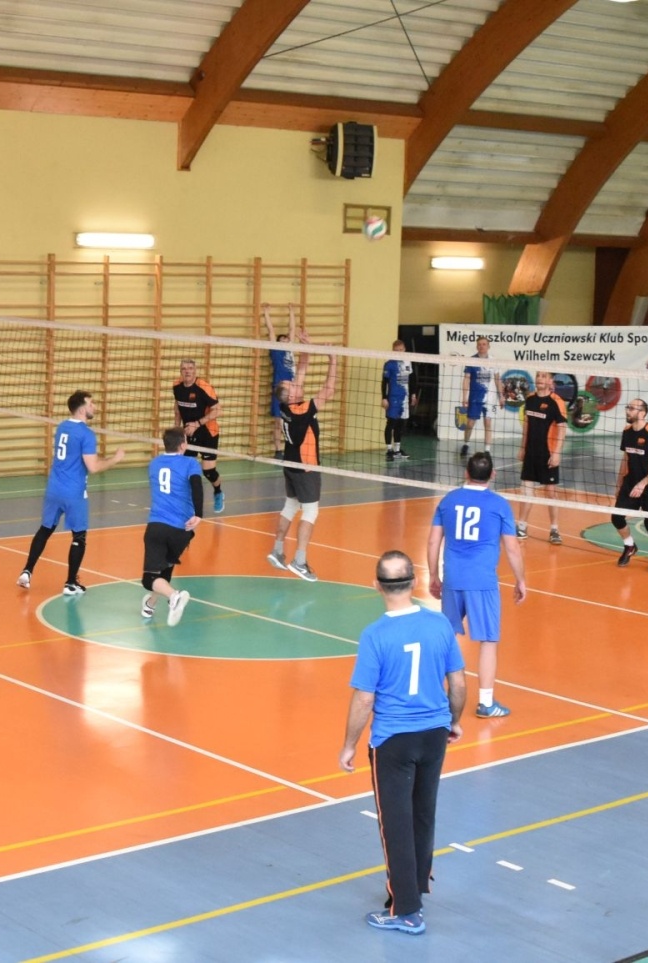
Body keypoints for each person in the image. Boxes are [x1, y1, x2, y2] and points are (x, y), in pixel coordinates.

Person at [339, 550, 465, 936]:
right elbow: (458, 682)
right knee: (423, 813)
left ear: (377, 585)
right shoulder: (439, 624)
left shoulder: (375, 635)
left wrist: (349, 744)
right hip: (434, 735)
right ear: (413, 582)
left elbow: (364, 699)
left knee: (395, 823)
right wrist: (454, 721)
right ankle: (416, 886)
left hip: (393, 740)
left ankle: (406, 910)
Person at [428, 452, 527, 718]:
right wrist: (520, 579)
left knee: (446, 637)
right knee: (488, 641)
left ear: (466, 473)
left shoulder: (448, 501)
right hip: (482, 582)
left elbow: (433, 541)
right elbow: (512, 548)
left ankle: (433, 696)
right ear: (493, 474)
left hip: (453, 578)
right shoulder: (499, 504)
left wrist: (433, 575)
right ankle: (485, 703)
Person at [17, 391, 126, 595]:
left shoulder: (62, 427)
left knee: (45, 530)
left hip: (54, 488)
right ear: (82, 409)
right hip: (74, 491)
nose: (95, 407)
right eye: (91, 403)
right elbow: (93, 467)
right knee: (79, 537)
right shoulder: (86, 434)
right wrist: (115, 459)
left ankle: (27, 571)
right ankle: (70, 583)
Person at [268, 338, 338, 581]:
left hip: (290, 464)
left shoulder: (286, 407)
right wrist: (332, 358)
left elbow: (302, 368)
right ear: (291, 395)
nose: (297, 383)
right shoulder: (302, 409)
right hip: (306, 467)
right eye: (293, 385)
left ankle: (277, 551)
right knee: (310, 511)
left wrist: (307, 346)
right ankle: (299, 561)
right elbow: (329, 390)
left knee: (290, 505)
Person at [141, 427, 203, 626]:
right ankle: (150, 604)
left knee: (149, 579)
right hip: (182, 530)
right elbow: (197, 486)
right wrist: (199, 514)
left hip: (158, 526)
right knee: (165, 568)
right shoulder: (190, 463)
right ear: (183, 445)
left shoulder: (154, 463)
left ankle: (174, 597)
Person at [612, 398, 648, 572]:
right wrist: (619, 483)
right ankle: (629, 546)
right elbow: (626, 458)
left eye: (631, 408)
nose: (627, 411)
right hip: (630, 482)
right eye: (627, 407)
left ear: (642, 413)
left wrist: (643, 484)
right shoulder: (627, 431)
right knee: (617, 517)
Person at [516, 371, 567, 544]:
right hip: (531, 453)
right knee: (526, 491)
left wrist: (557, 453)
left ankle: (554, 530)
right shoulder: (530, 399)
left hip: (548, 453)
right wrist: (523, 448)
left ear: (551, 381)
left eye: (544, 376)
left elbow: (562, 428)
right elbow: (527, 425)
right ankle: (522, 526)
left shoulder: (556, 402)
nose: (540, 379)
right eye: (538, 375)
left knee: (551, 492)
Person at [173, 359, 225, 513]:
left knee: (208, 472)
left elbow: (218, 410)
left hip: (208, 433)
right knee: (185, 469)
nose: (187, 371)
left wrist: (197, 424)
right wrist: (177, 430)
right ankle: (187, 503)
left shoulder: (204, 387)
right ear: (180, 371)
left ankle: (218, 492)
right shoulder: (176, 386)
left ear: (195, 371)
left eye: (190, 368)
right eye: (184, 369)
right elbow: (177, 408)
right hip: (189, 433)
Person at [262, 302, 299, 454]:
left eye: (286, 339)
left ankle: (293, 448)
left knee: (292, 421)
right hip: (279, 389)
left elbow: (292, 329)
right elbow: (271, 330)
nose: (286, 340)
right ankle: (278, 450)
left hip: (292, 390)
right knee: (278, 422)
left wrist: (291, 311)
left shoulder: (290, 350)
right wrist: (266, 312)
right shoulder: (276, 351)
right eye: (282, 339)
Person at [459, 337, 495, 457]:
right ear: (476, 346)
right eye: (479, 344)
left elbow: (498, 379)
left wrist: (501, 396)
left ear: (488, 346)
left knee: (488, 423)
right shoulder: (472, 360)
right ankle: (466, 444)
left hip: (489, 398)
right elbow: (466, 379)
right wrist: (464, 397)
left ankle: (487, 450)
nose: (481, 346)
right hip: (475, 397)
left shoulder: (493, 361)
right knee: (470, 424)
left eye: (484, 344)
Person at [382, 340, 415, 462]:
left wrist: (413, 394)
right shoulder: (389, 364)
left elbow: (412, 379)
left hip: (404, 397)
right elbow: (384, 382)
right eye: (396, 350)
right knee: (391, 423)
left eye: (401, 350)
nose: (399, 352)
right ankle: (389, 450)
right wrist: (384, 398)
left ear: (404, 349)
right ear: (393, 351)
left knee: (401, 424)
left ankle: (397, 450)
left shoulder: (408, 362)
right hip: (393, 398)